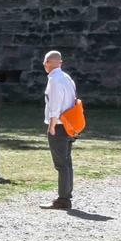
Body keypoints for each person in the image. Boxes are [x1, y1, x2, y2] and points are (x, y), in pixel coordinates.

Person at [40, 50, 77, 210]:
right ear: (60, 62)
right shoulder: (67, 78)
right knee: (67, 162)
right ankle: (66, 195)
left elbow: (55, 105)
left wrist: (52, 125)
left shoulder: (54, 80)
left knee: (61, 164)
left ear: (47, 62)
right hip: (70, 124)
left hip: (60, 126)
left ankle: (63, 199)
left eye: (44, 62)